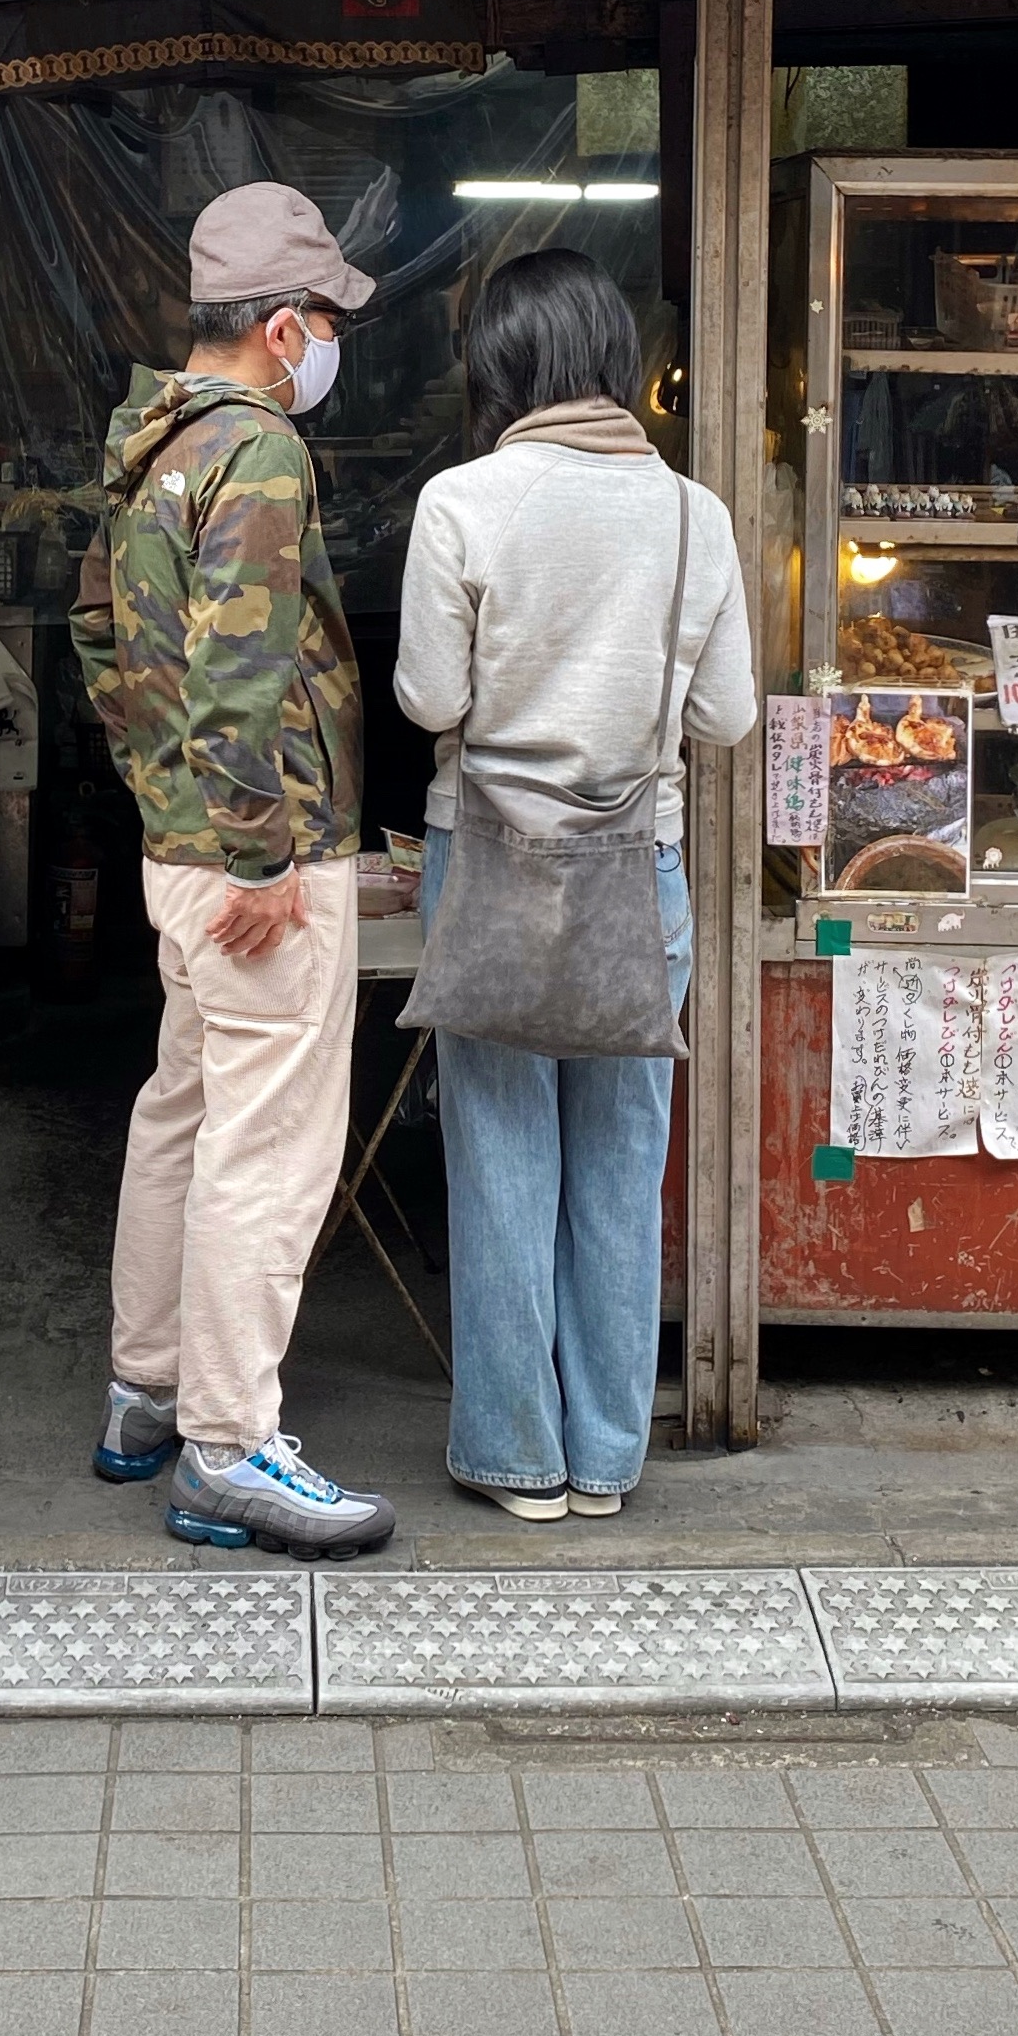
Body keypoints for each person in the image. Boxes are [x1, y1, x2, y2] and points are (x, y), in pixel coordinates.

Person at [394, 247, 756, 1521]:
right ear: (607, 358)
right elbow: (725, 717)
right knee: (620, 1163)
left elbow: (431, 699)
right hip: (635, 869)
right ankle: (607, 1456)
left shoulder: (461, 503)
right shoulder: (692, 514)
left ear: (499, 364)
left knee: (498, 1160)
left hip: (489, 858)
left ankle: (512, 1453)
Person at [70, 180, 396, 1558]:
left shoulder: (148, 447)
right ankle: (230, 1445)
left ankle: (144, 1393)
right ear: (279, 325)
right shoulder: (257, 452)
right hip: (260, 865)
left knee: (184, 1116)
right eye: (324, 319)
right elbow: (240, 669)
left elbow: (99, 641)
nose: (331, 342)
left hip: (178, 853)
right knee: (267, 1153)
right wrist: (261, 849)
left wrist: (172, 810)